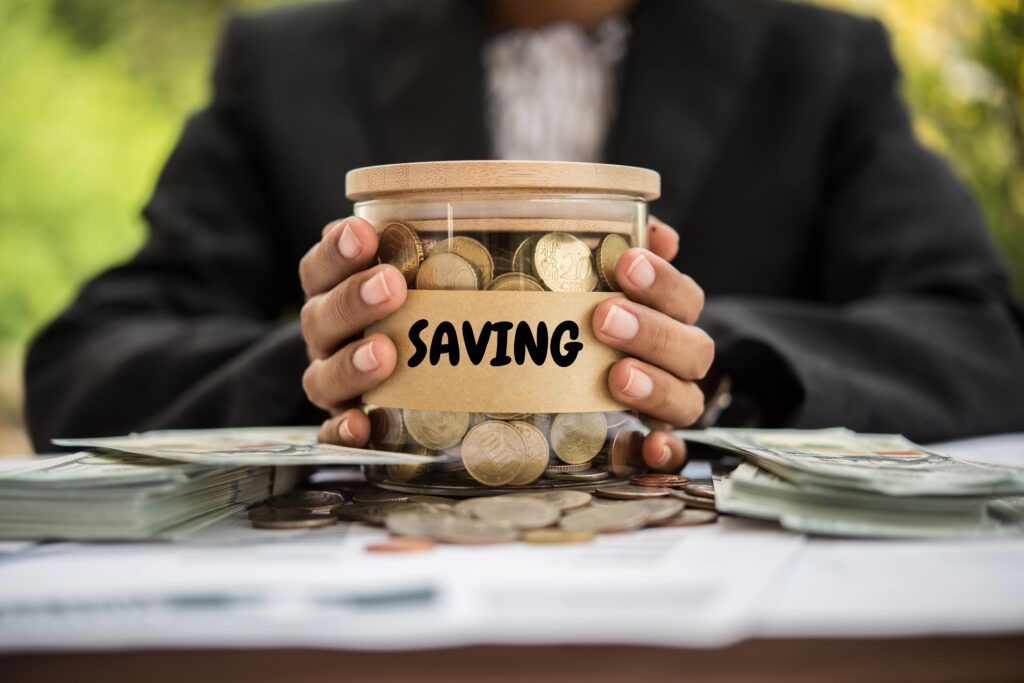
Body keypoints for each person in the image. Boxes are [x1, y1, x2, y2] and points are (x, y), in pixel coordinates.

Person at [24, 0, 1024, 469]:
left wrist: (716, 368)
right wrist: (354, 359)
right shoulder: (283, 63)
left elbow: (982, 337)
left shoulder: (821, 61)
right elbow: (82, 362)